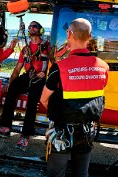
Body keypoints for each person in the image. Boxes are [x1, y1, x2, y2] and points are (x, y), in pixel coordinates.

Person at [40, 18, 109, 177]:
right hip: (88, 130)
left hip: (61, 131)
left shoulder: (60, 68)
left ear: (69, 34)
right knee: (81, 173)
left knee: (56, 173)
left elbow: (44, 99)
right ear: (90, 37)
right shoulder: (103, 67)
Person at [0, 21, 50, 151]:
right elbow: (17, 68)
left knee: (32, 100)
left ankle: (25, 134)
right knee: (12, 90)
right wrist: (10, 82)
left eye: (34, 26)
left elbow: (52, 62)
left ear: (40, 30)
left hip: (40, 78)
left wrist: (46, 72)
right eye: (30, 26)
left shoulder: (47, 46)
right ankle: (6, 127)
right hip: (28, 75)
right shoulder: (25, 49)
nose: (31, 28)